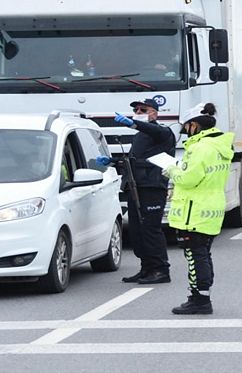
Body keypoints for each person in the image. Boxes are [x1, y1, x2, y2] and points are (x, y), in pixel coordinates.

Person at [163, 103, 234, 314]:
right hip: (210, 207)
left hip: (194, 210)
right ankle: (201, 296)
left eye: (186, 126)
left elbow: (188, 179)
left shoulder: (200, 148)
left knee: (195, 256)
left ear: (194, 125)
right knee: (202, 254)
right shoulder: (219, 145)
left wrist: (171, 170)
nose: (185, 131)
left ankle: (200, 300)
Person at [96, 98, 175, 285]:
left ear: (154, 113)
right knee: (138, 230)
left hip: (152, 187)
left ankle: (161, 270)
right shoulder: (141, 136)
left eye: (143, 109)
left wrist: (134, 124)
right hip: (136, 186)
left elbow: (154, 131)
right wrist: (113, 161)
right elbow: (136, 160)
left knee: (151, 229)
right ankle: (146, 268)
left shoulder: (162, 132)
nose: (138, 112)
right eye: (136, 110)